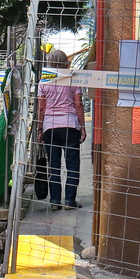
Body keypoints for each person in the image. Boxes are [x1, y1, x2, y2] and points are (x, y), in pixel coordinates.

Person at [35, 48, 85, 210]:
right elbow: (78, 104)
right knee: (72, 164)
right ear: (66, 63)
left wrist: (39, 128)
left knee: (54, 165)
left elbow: (41, 108)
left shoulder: (44, 81)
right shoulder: (71, 79)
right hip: (70, 125)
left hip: (50, 127)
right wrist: (82, 127)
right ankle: (70, 200)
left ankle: (55, 201)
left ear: (49, 63)